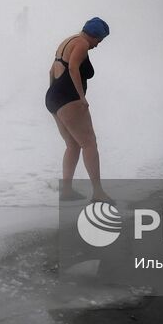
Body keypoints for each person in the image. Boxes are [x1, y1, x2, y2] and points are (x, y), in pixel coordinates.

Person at [46, 17, 111, 202]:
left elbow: (51, 72)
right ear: (94, 35)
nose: (98, 45)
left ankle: (66, 190)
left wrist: (54, 97)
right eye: (99, 40)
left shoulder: (67, 42)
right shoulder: (82, 44)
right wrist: (81, 98)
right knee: (89, 143)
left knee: (73, 145)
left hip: (53, 97)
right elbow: (74, 68)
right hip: (69, 98)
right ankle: (98, 192)